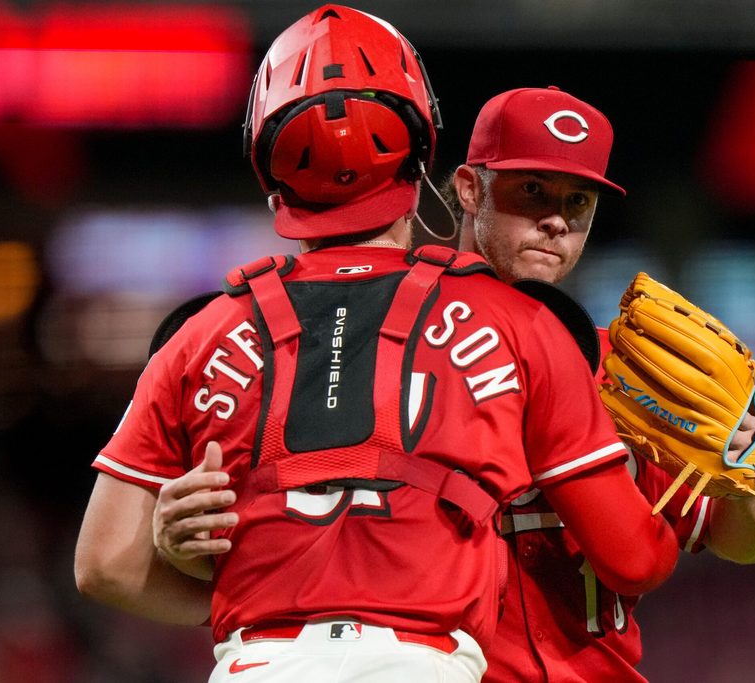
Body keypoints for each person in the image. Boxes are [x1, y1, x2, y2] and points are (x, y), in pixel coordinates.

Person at [73, 8, 681, 683]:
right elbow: (636, 558)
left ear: (267, 157)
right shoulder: (518, 323)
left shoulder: (198, 335)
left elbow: (103, 564)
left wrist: (234, 598)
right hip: (422, 661)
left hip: (256, 663)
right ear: (425, 154)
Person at [443, 85, 755, 682]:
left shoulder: (623, 371)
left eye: (578, 200)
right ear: (470, 189)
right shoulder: (405, 344)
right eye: (532, 191)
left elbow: (754, 539)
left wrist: (742, 466)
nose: (556, 219)